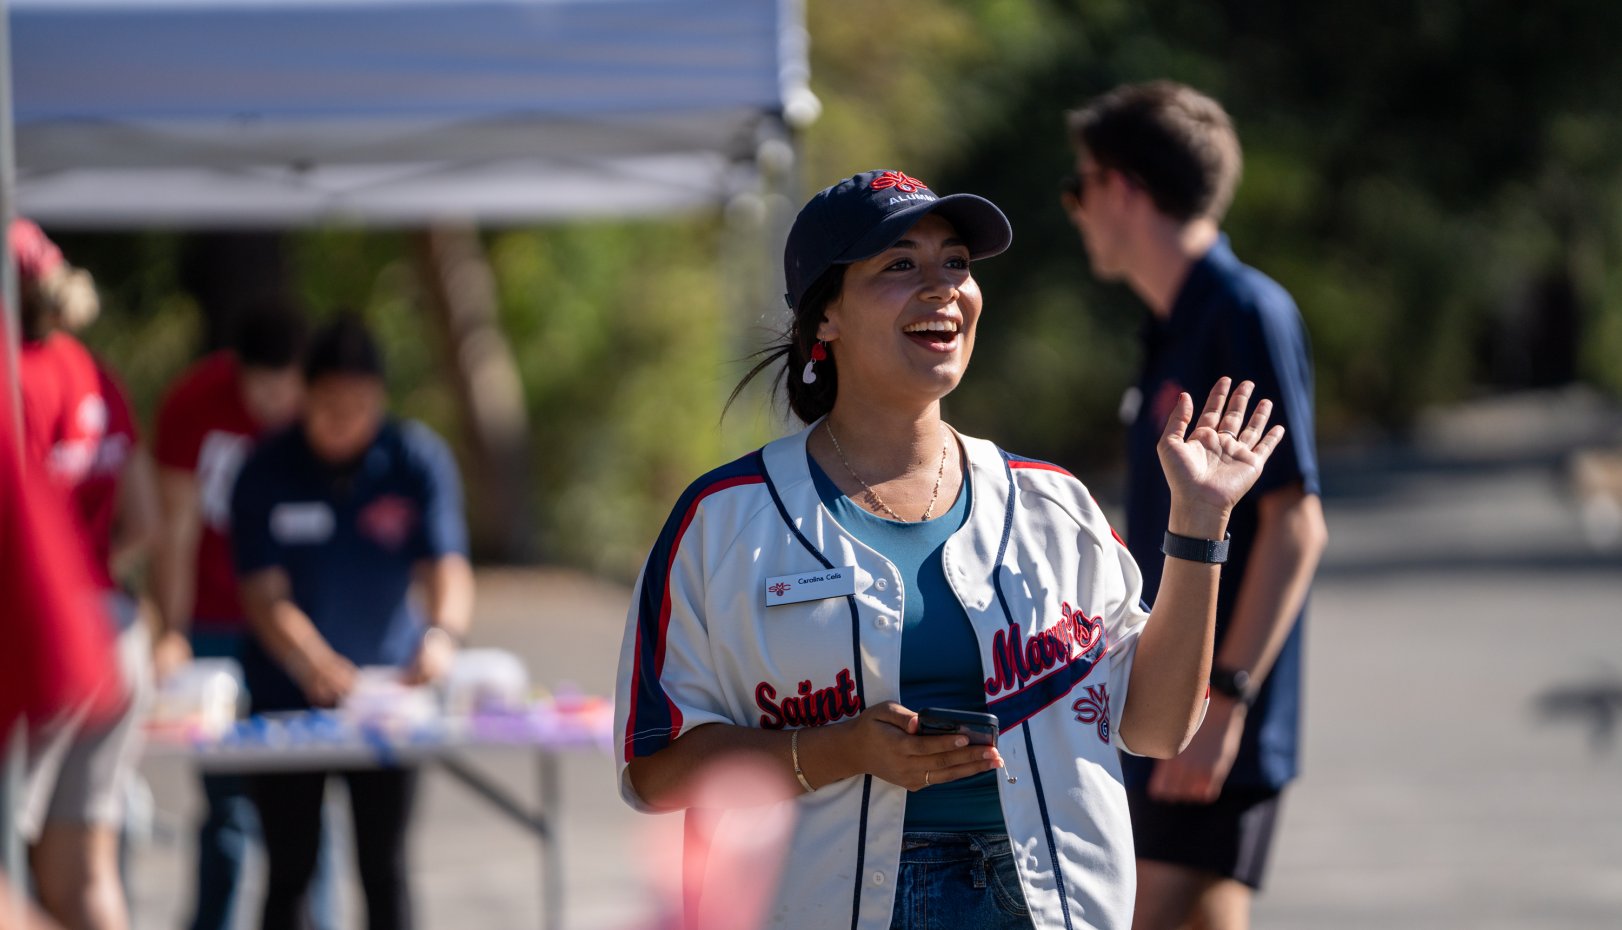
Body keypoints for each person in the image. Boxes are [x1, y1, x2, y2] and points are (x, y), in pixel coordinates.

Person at [614, 169, 1287, 930]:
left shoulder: (1053, 504)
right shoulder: (722, 521)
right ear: (824, 315)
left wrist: (1198, 527)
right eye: (899, 264)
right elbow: (656, 768)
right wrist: (839, 750)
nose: (942, 287)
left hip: (1047, 904)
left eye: (956, 263)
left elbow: (1158, 727)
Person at [1061, 82, 1329, 930]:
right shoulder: (1170, 322)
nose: (1075, 211)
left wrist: (1227, 697)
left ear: (1121, 188)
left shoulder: (1243, 309)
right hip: (1180, 701)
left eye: (1079, 188)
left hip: (1213, 712)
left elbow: (1297, 521)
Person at [230, 315, 473, 930]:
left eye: (359, 406)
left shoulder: (415, 459)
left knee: (384, 868)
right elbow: (263, 592)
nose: (344, 421)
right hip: (287, 695)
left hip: (387, 699)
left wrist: (441, 639)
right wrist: (306, 657)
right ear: (303, 396)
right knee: (288, 871)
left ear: (381, 400)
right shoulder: (264, 467)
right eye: (330, 405)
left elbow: (448, 567)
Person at [150, 301, 342, 930]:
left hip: (298, 625)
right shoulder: (192, 406)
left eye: (288, 386)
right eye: (263, 386)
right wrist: (171, 630)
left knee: (309, 798)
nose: (276, 402)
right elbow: (174, 529)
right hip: (216, 620)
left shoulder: (323, 409)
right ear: (238, 373)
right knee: (228, 802)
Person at [13, 217, 155, 930]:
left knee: (13, 871)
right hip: (113, 634)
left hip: (38, 640)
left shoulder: (13, 380)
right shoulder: (90, 369)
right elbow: (146, 521)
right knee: (89, 873)